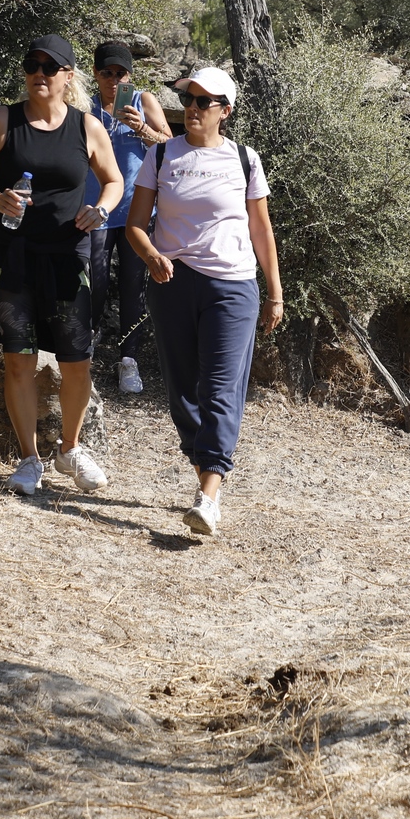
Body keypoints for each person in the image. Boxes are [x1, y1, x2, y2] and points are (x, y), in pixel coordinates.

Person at [0, 34, 123, 497]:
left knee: (77, 360)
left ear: (69, 77)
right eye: (32, 65)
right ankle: (29, 459)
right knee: (18, 361)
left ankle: (69, 449)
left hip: (69, 256)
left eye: (50, 67)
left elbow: (113, 181)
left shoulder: (87, 127)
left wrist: (103, 209)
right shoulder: (1, 121)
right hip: (9, 255)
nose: (39, 74)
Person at [123, 66, 283, 536]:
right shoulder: (162, 155)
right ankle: (207, 479)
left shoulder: (244, 159)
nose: (192, 109)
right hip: (172, 284)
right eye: (188, 100)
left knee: (220, 389)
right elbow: (135, 224)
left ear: (225, 112)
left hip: (232, 287)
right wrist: (151, 254)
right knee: (182, 392)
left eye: (203, 102)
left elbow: (260, 229)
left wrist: (275, 293)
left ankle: (208, 496)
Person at [83, 40, 172, 394]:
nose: (114, 80)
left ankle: (129, 361)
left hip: (137, 208)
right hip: (96, 208)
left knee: (134, 287)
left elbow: (168, 145)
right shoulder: (83, 106)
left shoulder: (143, 101)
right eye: (107, 73)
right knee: (94, 282)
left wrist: (141, 129)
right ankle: (84, 352)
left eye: (121, 73)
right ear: (96, 74)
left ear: (130, 75)